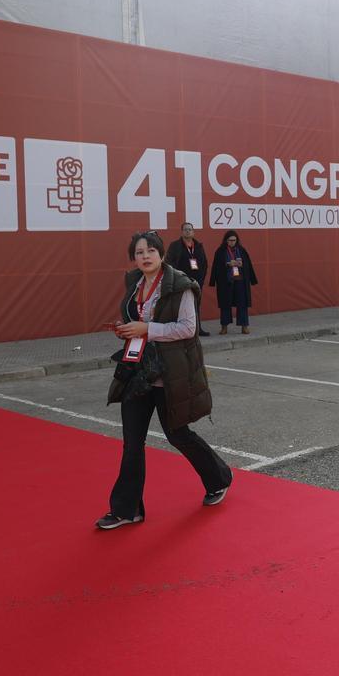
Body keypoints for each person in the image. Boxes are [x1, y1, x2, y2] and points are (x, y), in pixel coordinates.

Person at [98, 230, 232, 530]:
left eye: (150, 251)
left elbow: (187, 328)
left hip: (168, 374)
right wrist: (126, 329)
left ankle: (219, 478)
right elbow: (138, 321)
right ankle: (127, 509)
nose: (144, 257)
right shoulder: (134, 284)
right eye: (139, 252)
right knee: (132, 443)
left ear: (161, 254)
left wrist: (147, 329)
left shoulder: (181, 285)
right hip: (136, 372)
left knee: (178, 435)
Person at [166, 222, 210, 337]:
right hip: (181, 282)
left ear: (193, 231)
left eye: (190, 229)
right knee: (181, 306)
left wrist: (201, 280)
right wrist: (177, 278)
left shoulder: (199, 246)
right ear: (182, 232)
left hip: (196, 282)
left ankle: (197, 329)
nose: (188, 231)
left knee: (195, 305)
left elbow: (204, 263)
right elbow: (169, 263)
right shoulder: (175, 245)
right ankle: (180, 330)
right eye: (185, 229)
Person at [209, 230, 258, 334]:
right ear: (226, 240)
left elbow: (248, 265)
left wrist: (242, 265)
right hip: (226, 282)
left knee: (242, 304)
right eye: (230, 240)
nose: (232, 242)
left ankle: (244, 326)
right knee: (225, 304)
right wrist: (227, 264)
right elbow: (216, 267)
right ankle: (224, 327)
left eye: (234, 240)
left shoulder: (242, 250)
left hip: (240, 281)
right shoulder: (220, 251)